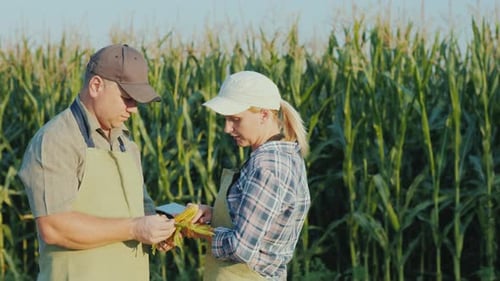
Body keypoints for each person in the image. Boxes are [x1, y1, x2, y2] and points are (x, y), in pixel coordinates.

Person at [18, 44, 176, 281]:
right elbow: (54, 226)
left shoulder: (127, 143)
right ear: (96, 86)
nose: (133, 110)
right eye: (127, 99)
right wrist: (135, 228)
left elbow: (140, 207)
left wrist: (161, 228)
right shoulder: (57, 140)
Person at [192, 70, 311, 281]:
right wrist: (213, 214)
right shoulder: (284, 154)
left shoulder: (268, 167)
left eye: (235, 119)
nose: (227, 128)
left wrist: (194, 230)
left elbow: (241, 248)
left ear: (264, 114)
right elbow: (258, 224)